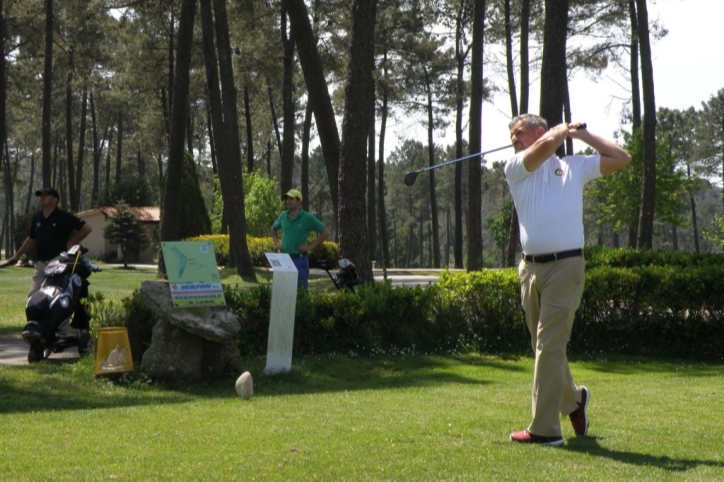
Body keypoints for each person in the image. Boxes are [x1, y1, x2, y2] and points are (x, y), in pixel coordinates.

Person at [504, 114, 631, 446]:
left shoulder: (573, 167)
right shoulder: (516, 166)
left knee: (548, 347)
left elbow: (621, 158)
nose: (513, 138)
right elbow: (544, 148)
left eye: (518, 132)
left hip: (567, 266)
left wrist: (584, 135)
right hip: (530, 270)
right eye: (512, 135)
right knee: (543, 347)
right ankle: (574, 401)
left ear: (538, 131)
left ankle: (544, 430)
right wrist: (563, 131)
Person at [3, 187, 92, 297]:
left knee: (54, 298)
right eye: (40, 195)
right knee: (32, 298)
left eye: (45, 195)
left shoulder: (63, 216)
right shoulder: (37, 218)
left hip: (58, 264)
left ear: (54, 200)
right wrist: (17, 256)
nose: (41, 198)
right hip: (41, 265)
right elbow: (31, 239)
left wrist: (71, 243)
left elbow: (87, 228)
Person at [271, 189, 331, 290]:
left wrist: (310, 247)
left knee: (300, 290)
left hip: (299, 259)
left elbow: (326, 232)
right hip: (284, 259)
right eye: (287, 199)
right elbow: (273, 228)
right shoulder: (283, 216)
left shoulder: (307, 217)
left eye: (291, 199)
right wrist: (276, 242)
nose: (288, 201)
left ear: (299, 202)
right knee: (283, 289)